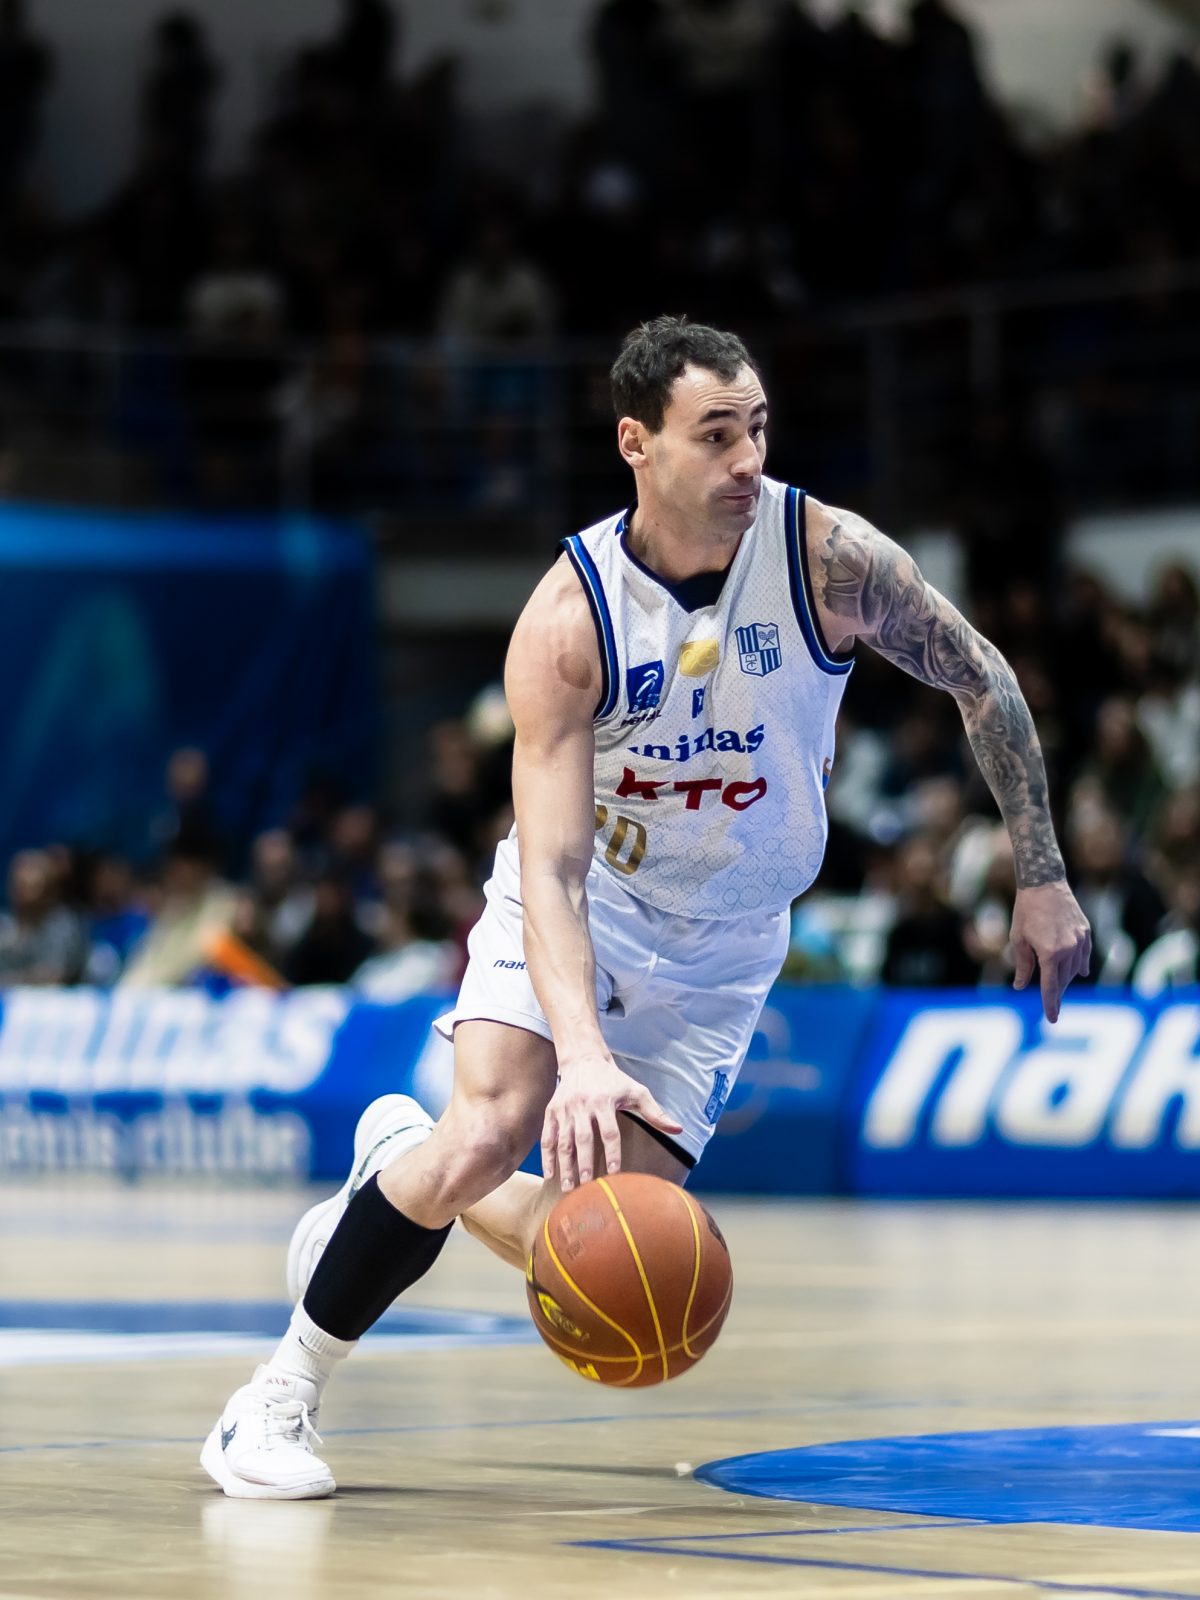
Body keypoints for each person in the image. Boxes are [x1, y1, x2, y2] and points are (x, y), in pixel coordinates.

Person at [202, 315, 1090, 1498]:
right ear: (637, 443)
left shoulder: (829, 560)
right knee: (491, 1131)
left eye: (757, 429)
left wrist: (1042, 871)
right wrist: (580, 1057)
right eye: (714, 435)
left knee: (595, 1237)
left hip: (730, 944)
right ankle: (274, 1400)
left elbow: (983, 677)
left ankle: (396, 1163)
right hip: (592, 906)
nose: (746, 460)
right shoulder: (570, 622)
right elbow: (553, 869)